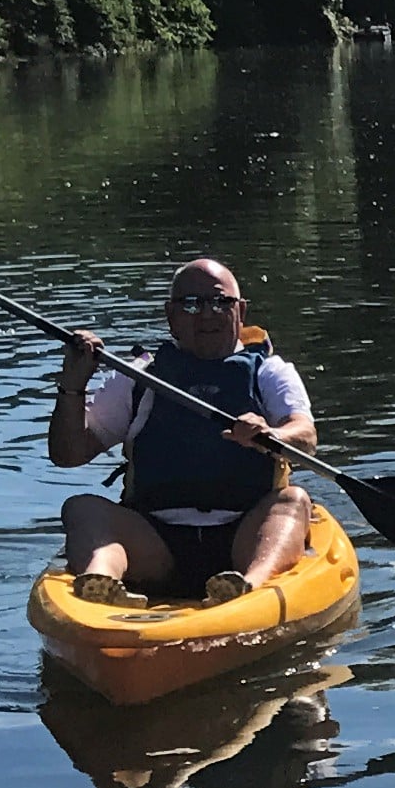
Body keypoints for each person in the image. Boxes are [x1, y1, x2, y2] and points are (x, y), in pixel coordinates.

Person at [47, 256, 319, 604]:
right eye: (191, 304)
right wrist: (73, 386)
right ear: (171, 316)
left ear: (241, 312)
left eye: (221, 302)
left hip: (246, 535)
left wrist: (272, 435)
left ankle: (250, 587)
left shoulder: (269, 372)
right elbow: (68, 455)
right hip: (156, 542)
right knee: (82, 508)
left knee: (294, 500)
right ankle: (100, 582)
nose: (207, 314)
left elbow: (306, 437)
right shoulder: (139, 377)